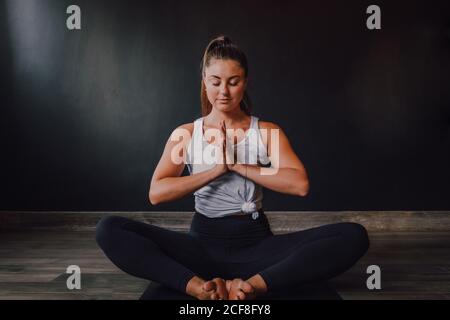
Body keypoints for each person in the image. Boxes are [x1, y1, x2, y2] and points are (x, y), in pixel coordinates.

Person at [96, 35, 370, 300]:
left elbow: (299, 184)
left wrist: (239, 165)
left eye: (233, 82)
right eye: (215, 82)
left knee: (353, 236)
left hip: (258, 247)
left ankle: (252, 286)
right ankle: (196, 287)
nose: (223, 91)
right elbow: (157, 193)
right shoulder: (186, 134)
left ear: (245, 83)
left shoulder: (265, 131)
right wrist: (216, 170)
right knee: (109, 229)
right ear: (204, 82)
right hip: (200, 248)